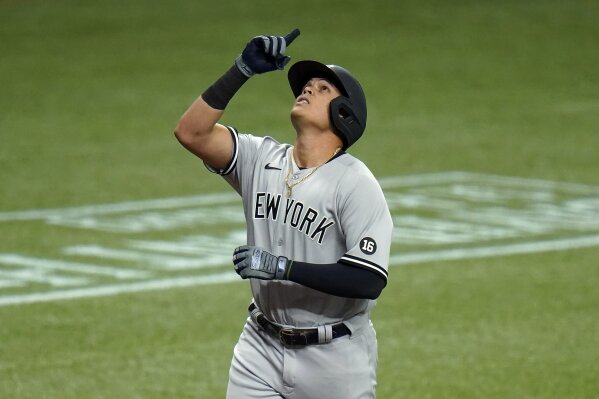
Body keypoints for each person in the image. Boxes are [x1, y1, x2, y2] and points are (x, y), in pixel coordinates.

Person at [174, 29, 393, 399]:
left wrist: (281, 267)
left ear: (345, 114)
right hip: (260, 346)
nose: (307, 88)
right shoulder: (260, 158)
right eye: (307, 85)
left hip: (334, 360)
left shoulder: (356, 183)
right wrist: (241, 70)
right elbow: (191, 133)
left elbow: (368, 280)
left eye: (323, 89)